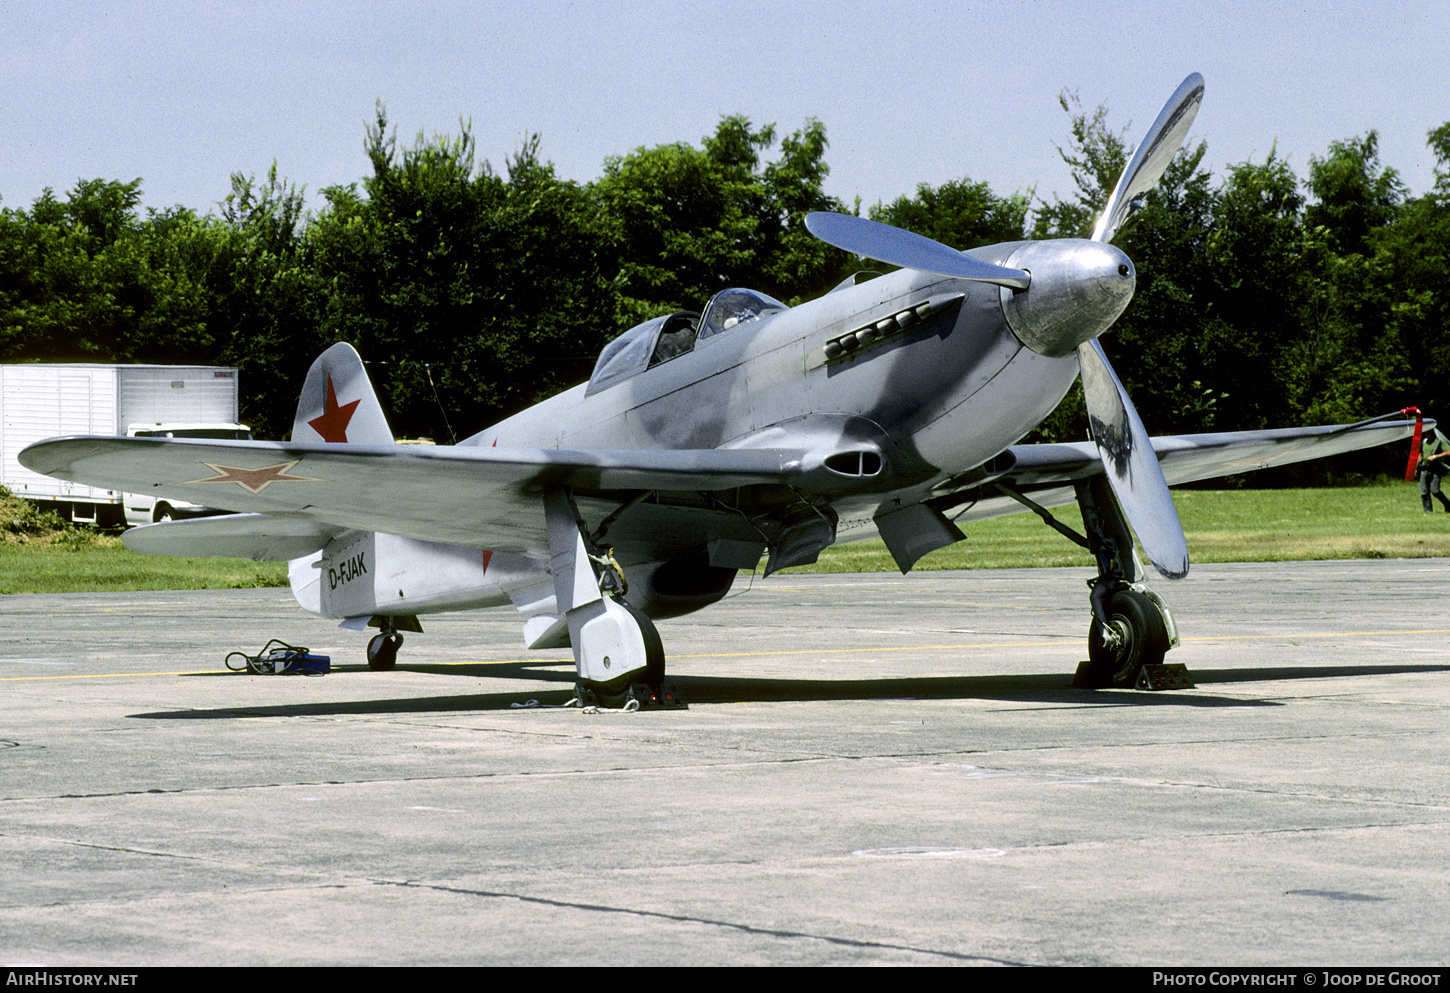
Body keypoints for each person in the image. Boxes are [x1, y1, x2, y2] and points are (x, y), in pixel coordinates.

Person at [1419, 428, 1450, 513]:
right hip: (1424, 469)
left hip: (1435, 469)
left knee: (1435, 490)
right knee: (1424, 492)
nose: (1427, 433)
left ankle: (1448, 505)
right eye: (1426, 431)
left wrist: (1435, 457)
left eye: (1429, 431)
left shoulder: (1439, 441)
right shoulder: (1425, 441)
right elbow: (1421, 453)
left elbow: (1448, 452)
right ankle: (1428, 511)